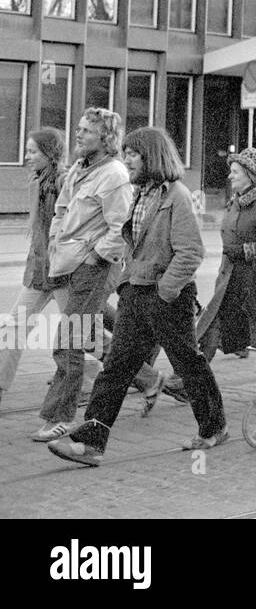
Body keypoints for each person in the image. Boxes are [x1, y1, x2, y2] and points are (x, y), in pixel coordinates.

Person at [49, 128, 225, 467]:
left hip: (166, 297)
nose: (126, 159)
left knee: (188, 363)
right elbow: (132, 243)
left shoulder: (177, 196)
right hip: (136, 292)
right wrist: (126, 281)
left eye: (133, 154)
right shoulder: (139, 194)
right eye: (125, 152)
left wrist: (165, 290)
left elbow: (190, 252)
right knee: (115, 368)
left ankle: (214, 425)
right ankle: (90, 442)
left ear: (153, 157)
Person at [15, 111, 135, 443]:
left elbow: (120, 228)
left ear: (105, 137)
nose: (78, 136)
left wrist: (96, 256)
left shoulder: (114, 175)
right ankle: (145, 378)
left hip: (94, 267)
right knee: (85, 335)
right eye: (79, 129)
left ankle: (60, 417)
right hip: (68, 263)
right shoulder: (81, 170)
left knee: (69, 339)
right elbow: (61, 210)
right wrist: (55, 240)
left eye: (87, 131)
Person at [161, 148, 256, 401]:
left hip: (248, 283)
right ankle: (187, 380)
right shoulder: (236, 203)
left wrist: (243, 251)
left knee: (252, 331)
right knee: (210, 326)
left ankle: (187, 380)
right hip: (228, 279)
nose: (230, 176)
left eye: (236, 172)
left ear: (250, 176)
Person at [0, 130, 68, 413]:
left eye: (32, 152)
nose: (27, 157)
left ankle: (148, 378)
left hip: (64, 272)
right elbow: (38, 232)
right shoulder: (36, 182)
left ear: (50, 153)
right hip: (39, 272)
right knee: (13, 328)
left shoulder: (66, 182)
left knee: (84, 335)